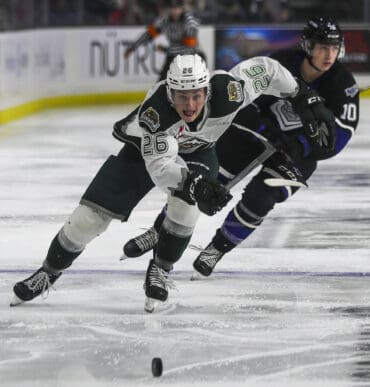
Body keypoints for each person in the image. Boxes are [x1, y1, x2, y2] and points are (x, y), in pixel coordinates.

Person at [11, 52, 333, 313]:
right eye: (181, 97)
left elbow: (267, 68)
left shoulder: (229, 91)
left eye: (196, 95)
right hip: (142, 153)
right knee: (88, 218)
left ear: (207, 90)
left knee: (185, 211)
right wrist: (193, 184)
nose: (190, 105)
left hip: (200, 152)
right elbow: (161, 168)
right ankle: (48, 273)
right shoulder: (156, 114)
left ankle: (161, 270)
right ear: (169, 93)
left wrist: (302, 95)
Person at [122, 17, 359, 279]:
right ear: (308, 45)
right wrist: (263, 130)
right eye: (322, 47)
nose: (329, 54)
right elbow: (245, 102)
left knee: (262, 198)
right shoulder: (282, 62)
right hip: (254, 134)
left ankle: (216, 249)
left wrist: (298, 145)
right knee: (203, 180)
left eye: (334, 48)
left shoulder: (343, 84)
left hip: (298, 154)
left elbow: (339, 136)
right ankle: (159, 231)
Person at [124, 0, 203, 81]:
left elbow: (190, 45)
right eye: (172, 9)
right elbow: (148, 35)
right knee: (160, 85)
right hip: (173, 56)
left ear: (182, 9)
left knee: (190, 84)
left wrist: (165, 49)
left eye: (177, 8)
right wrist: (132, 47)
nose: (175, 11)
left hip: (190, 57)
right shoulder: (164, 21)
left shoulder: (189, 21)